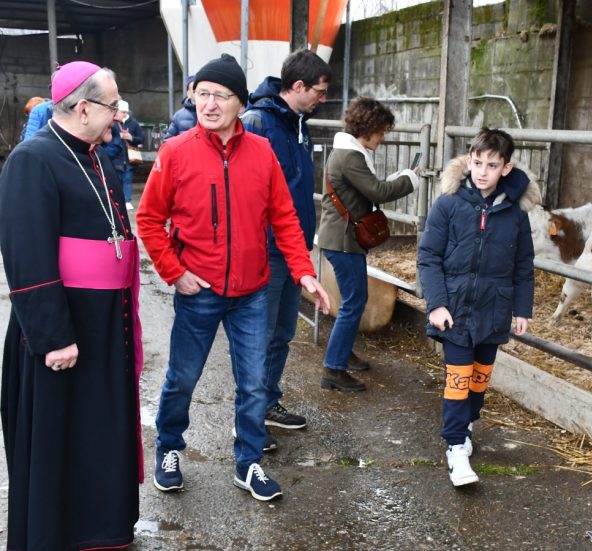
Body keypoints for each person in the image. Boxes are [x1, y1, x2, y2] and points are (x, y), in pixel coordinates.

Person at [137, 54, 330, 502]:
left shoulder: (261, 152)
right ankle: (169, 449)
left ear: (239, 104)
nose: (208, 103)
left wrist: (303, 272)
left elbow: (284, 218)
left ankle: (248, 462)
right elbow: (149, 220)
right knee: (182, 377)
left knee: (254, 381)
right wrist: (175, 272)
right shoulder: (176, 152)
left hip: (251, 292)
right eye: (201, 94)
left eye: (220, 96)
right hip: (198, 290)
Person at [0, 60, 141, 549]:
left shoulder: (94, 155)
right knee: (61, 438)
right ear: (83, 108)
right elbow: (26, 253)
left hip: (102, 322)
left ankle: (98, 528)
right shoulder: (33, 158)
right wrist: (55, 337)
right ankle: (56, 534)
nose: (119, 114)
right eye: (113, 104)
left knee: (95, 433)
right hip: (64, 327)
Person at [416, 128, 539, 487]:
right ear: (468, 160)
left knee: (479, 378)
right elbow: (428, 256)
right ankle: (455, 447)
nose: (482, 170)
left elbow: (523, 266)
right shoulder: (449, 204)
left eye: (492, 164)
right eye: (477, 161)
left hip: (495, 308)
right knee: (458, 377)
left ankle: (467, 422)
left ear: (506, 167)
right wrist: (436, 304)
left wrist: (521, 310)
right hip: (454, 309)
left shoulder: (515, 214)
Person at [240, 49, 331, 434]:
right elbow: (244, 191)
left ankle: (266, 401)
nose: (322, 99)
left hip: (293, 247)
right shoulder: (258, 122)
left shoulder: (298, 123)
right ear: (298, 86)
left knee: (282, 332)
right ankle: (248, 416)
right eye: (320, 91)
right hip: (266, 248)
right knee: (259, 334)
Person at [317, 97, 417, 392]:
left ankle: (342, 352)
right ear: (369, 128)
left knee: (352, 301)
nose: (383, 138)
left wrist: (397, 178)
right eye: (382, 131)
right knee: (354, 303)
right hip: (343, 240)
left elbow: (369, 190)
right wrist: (410, 180)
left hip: (342, 238)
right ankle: (334, 370)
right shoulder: (350, 156)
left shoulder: (350, 153)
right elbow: (378, 191)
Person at [103, 100, 144, 211]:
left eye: (124, 112)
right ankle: (117, 200)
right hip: (116, 159)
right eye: (121, 111)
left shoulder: (133, 123)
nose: (122, 114)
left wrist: (131, 138)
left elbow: (141, 139)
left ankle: (127, 200)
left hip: (129, 159)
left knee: (127, 180)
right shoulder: (113, 123)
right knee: (116, 181)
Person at [163, 75, 197, 139]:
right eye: (194, 91)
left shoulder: (210, 113)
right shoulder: (178, 116)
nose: (198, 93)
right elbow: (168, 140)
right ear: (188, 94)